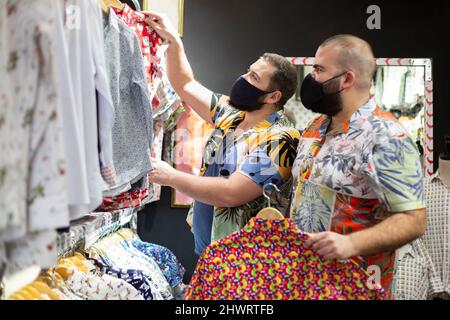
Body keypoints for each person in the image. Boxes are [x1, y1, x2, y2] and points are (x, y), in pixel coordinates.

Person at [144, 12, 300, 256]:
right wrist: (174, 42)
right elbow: (185, 84)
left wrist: (171, 176)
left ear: (273, 97)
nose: (244, 79)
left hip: (246, 261)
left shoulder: (282, 139)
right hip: (209, 249)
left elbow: (232, 193)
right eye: (248, 71)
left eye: (254, 77)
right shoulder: (232, 114)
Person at [290, 34, 426, 294]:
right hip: (304, 282)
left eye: (319, 70)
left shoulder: (386, 137)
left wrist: (351, 243)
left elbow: (413, 220)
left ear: (347, 79)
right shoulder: (314, 127)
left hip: (355, 287)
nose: (312, 78)